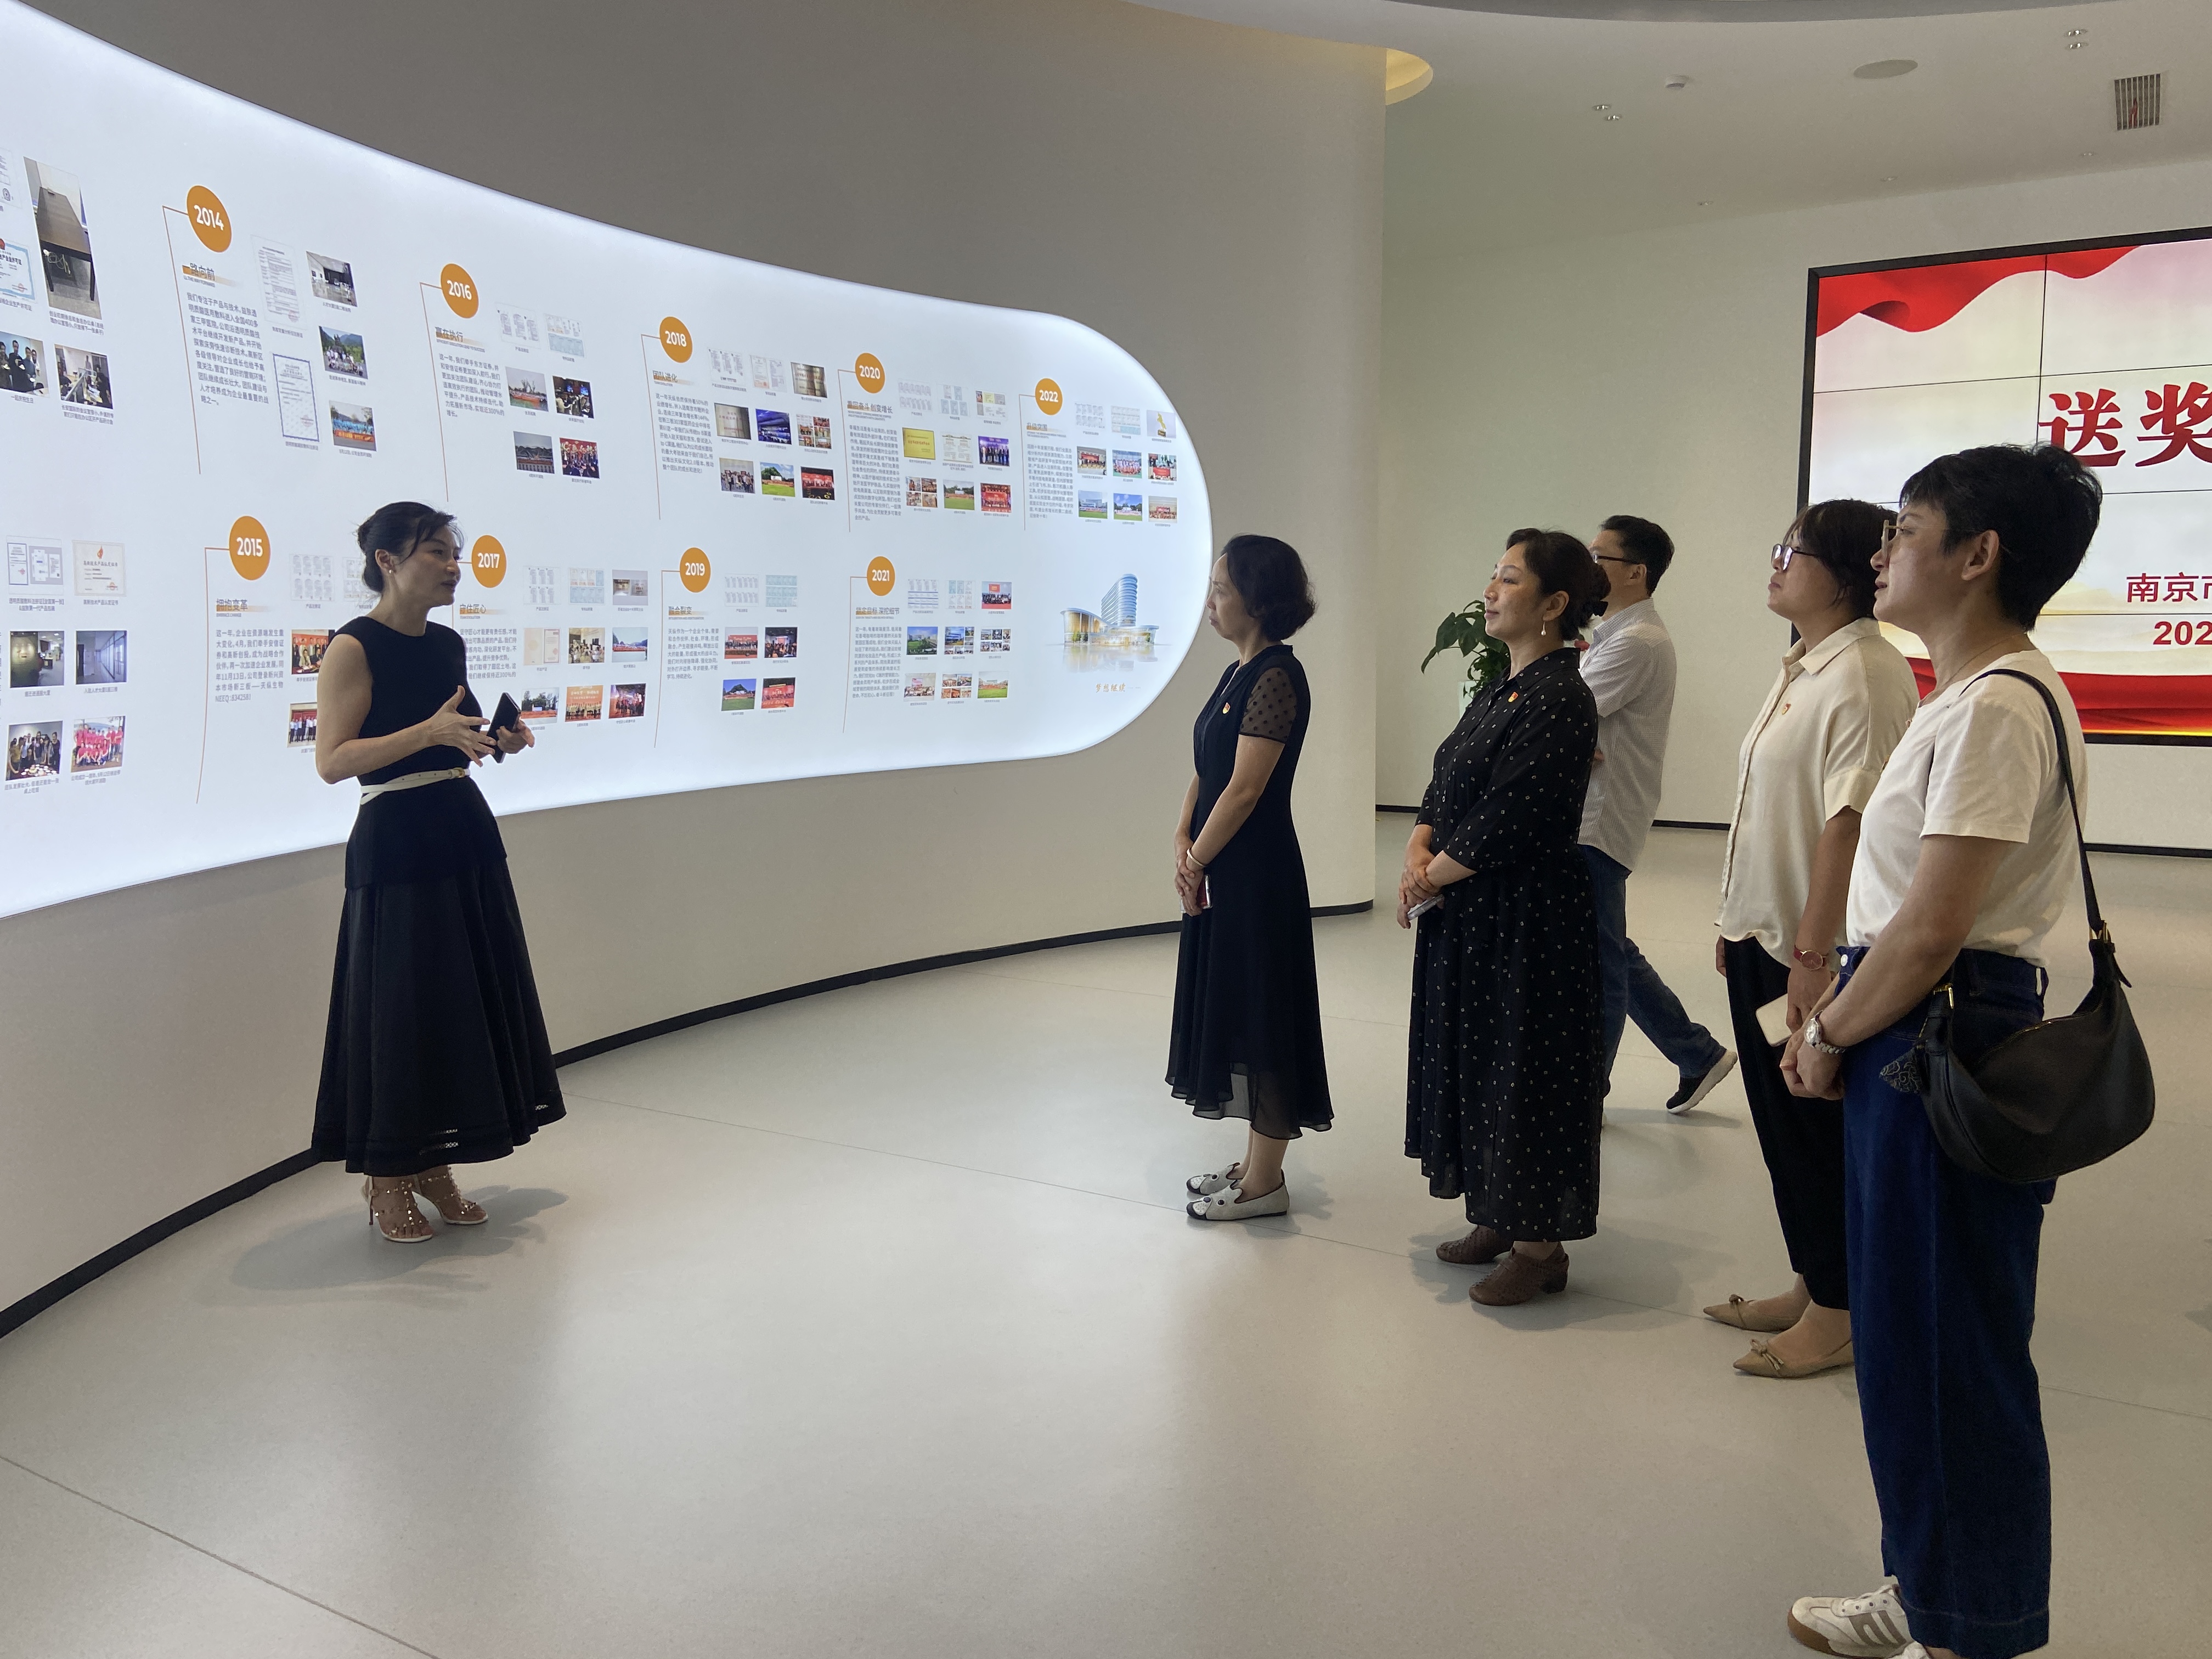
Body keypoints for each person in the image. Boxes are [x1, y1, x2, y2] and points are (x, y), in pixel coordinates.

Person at [1780, 445, 2102, 1659]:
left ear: (1978, 555)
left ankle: (1970, 1627)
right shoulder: (1965, 696)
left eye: (1903, 530)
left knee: (1948, 1346)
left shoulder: (2002, 705)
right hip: (1916, 1021)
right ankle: (1932, 1589)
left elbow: (1930, 930)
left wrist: (1827, 1031)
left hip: (1942, 1031)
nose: (1880, 552)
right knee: (1913, 1339)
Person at [313, 501, 565, 1242]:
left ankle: (435, 1164)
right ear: (388, 561)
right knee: (402, 1008)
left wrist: (501, 741)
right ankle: (389, 1175)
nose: (455, 566)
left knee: (459, 1000)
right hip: (396, 840)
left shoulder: (449, 644)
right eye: (438, 552)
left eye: (456, 553)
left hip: (462, 829)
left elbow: (465, 739)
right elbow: (333, 761)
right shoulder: (352, 647)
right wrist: (426, 732)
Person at [1706, 500, 1917, 1379]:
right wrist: (1737, 920)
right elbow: (1770, 811)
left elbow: (1848, 825)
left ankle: (1839, 1311)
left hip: (1809, 951)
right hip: (1767, 935)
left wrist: (1811, 957)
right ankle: (1815, 1281)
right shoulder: (1805, 664)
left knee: (1814, 1131)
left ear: (1844, 573)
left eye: (1793, 551)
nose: (1777, 563)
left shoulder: (1864, 672)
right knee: (1783, 1127)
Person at [1402, 530, 1607, 1306]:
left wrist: (1425, 878)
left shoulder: (1562, 695)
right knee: (1478, 1061)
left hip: (1528, 920)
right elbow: (1445, 781)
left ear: (1554, 604)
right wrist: (1419, 846)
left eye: (1510, 579)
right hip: (1473, 912)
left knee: (1523, 1070)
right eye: (1493, 575)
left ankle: (1539, 1247)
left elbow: (1512, 814)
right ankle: (1495, 1211)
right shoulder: (1501, 687)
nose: (1490, 591)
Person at [1169, 535, 1331, 1220]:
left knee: (1265, 1012)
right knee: (1239, 1005)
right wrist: (1183, 837)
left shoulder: (1277, 677)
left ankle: (1266, 1182)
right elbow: (1207, 769)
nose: (1210, 602)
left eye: (1222, 590)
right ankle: (1255, 1163)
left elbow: (1244, 789)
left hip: (1256, 873)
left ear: (1258, 601)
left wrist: (1197, 859)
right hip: (1223, 866)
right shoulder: (1238, 672)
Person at [1582, 515, 1736, 1111]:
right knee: (1609, 948)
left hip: (1600, 819)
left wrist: (1567, 734)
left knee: (1600, 962)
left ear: (1636, 572)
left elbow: (1559, 716)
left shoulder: (1636, 642)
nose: (1588, 566)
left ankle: (1587, 1096)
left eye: (1600, 557)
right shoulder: (1612, 635)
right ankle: (1697, 1053)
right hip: (1593, 814)